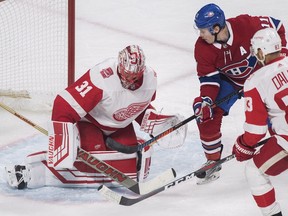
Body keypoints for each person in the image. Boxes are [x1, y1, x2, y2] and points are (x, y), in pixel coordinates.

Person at [5, 45, 187, 189]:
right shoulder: (102, 77)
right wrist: (63, 139)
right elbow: (63, 103)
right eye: (126, 76)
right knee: (93, 157)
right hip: (90, 123)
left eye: (134, 78)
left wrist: (160, 123)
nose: (128, 82)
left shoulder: (150, 80)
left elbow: (139, 108)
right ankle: (34, 173)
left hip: (120, 126)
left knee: (130, 160)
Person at [192, 3, 288, 184]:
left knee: (275, 118)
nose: (201, 35)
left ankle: (280, 152)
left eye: (204, 30)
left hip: (259, 79)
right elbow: (209, 80)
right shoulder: (202, 47)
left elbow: (278, 26)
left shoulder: (246, 24)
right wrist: (206, 101)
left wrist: (279, 58)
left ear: (216, 28)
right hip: (230, 83)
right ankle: (213, 162)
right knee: (207, 116)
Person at [232, 28, 288, 216]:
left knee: (255, 171)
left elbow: (256, 131)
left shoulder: (255, 81)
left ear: (261, 52)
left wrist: (243, 144)